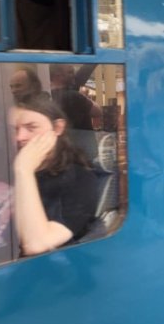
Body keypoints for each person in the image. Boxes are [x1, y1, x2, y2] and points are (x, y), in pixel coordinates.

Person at [11, 96, 98, 256]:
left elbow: (37, 244)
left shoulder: (81, 179)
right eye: (16, 129)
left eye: (31, 128)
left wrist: (24, 170)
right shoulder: (29, 173)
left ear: (57, 128)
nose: (19, 137)